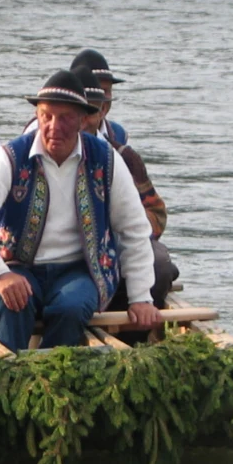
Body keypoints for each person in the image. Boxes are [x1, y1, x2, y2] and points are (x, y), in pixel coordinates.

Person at [0, 69, 161, 351]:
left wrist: (141, 297)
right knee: (11, 302)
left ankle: (54, 381)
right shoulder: (12, 157)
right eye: (46, 116)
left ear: (82, 119)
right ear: (37, 116)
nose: (53, 126)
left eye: (65, 118)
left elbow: (134, 229)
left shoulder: (106, 159)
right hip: (20, 266)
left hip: (80, 269)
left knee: (72, 308)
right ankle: (3, 377)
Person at [70, 50, 179, 306]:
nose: (82, 122)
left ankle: (137, 330)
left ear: (103, 110)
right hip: (66, 248)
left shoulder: (123, 156)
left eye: (92, 111)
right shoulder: (38, 149)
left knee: (160, 265)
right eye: (76, 112)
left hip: (121, 241)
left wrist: (129, 233)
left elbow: (156, 213)